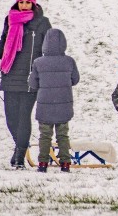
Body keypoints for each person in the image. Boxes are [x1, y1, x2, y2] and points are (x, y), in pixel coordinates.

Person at [0, 0, 52, 169]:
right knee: (11, 118)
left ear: (33, 3)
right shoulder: (10, 20)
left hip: (31, 78)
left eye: (27, 2)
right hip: (10, 75)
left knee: (23, 117)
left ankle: (18, 157)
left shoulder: (42, 22)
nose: (24, 5)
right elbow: (3, 47)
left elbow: (48, 49)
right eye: (21, 2)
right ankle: (19, 148)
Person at [28, 28, 80, 173]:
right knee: (63, 135)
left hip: (45, 105)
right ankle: (65, 164)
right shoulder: (69, 61)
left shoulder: (38, 62)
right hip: (64, 104)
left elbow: (33, 84)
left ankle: (43, 164)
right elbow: (75, 80)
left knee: (45, 135)